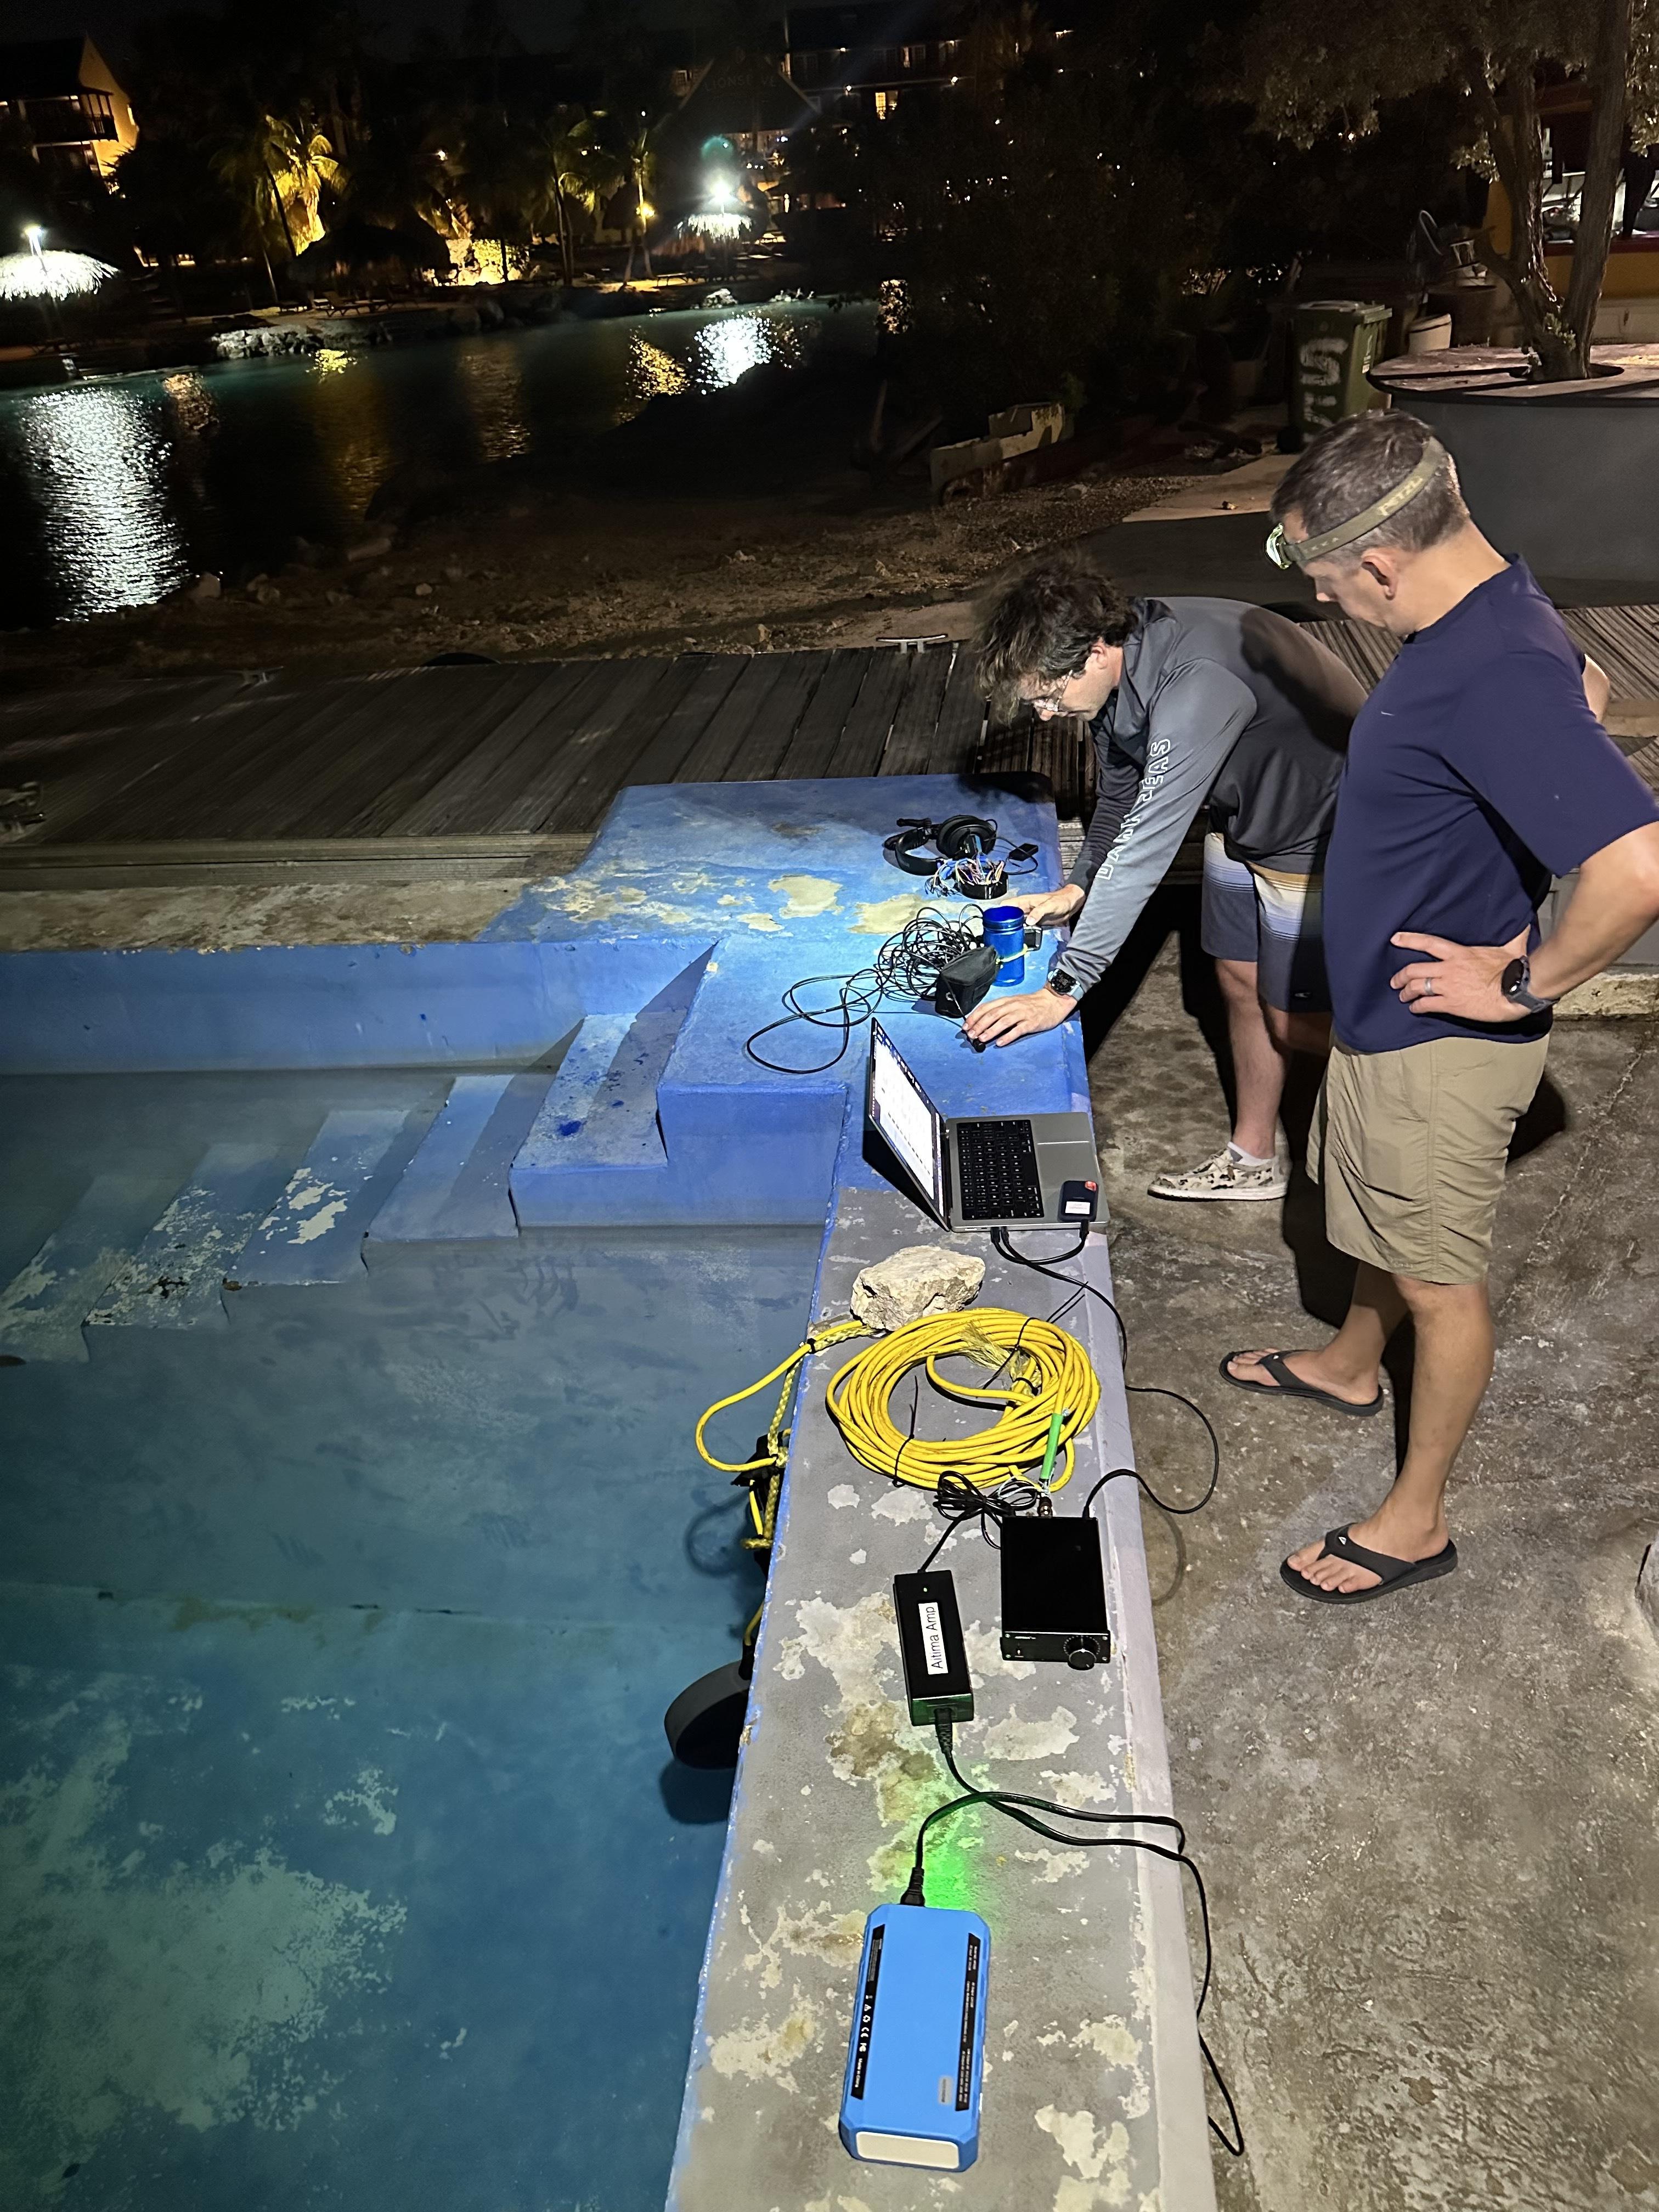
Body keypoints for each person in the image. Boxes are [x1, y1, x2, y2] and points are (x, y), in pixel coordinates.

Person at [1223, 409, 1659, 1604]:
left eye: (1327, 583)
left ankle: (1414, 1520)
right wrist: (1567, 734)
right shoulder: (1495, 609)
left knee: (1437, 1280)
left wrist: (1520, 981)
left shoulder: (1490, 667)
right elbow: (1574, 696)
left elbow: (1637, 869)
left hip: (1438, 1043)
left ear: (1379, 563)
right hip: (1391, 1020)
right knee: (1376, 1219)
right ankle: (1350, 1364)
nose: (1326, 603)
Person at [967, 555, 1363, 1201]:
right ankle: (1253, 1159)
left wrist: (1064, 989)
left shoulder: (1194, 683)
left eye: (1048, 695)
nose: (1043, 715)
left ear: (1096, 653)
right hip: (1243, 810)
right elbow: (1120, 793)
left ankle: (1419, 1084)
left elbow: (1146, 851)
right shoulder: (1117, 666)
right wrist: (1079, 885)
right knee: (1239, 979)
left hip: (1322, 820)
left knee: (1293, 1016)